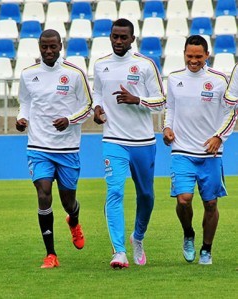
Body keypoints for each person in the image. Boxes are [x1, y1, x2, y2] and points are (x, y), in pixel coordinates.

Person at [92, 18, 165, 269]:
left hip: (143, 141)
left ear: (132, 39)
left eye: (124, 37)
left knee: (146, 195)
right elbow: (97, 92)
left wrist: (137, 99)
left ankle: (138, 237)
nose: (118, 41)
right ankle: (119, 252)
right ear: (110, 37)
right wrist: (97, 108)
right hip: (113, 139)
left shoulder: (145, 65)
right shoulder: (101, 65)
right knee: (115, 191)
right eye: (115, 36)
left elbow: (161, 101)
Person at [16, 29, 92, 268]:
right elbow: (25, 102)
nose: (48, 51)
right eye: (44, 47)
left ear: (61, 46)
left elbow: (88, 107)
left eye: (53, 47)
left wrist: (69, 120)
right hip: (38, 145)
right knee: (43, 193)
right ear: (39, 47)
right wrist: (21, 118)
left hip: (68, 147)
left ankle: (74, 220)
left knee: (68, 201)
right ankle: (51, 254)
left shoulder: (74, 74)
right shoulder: (28, 74)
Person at [163, 35, 237, 265]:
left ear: (207, 55)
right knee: (184, 200)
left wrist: (219, 137)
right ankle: (188, 234)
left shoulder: (219, 80)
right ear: (183, 54)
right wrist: (167, 128)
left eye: (198, 56)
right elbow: (171, 108)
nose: (193, 61)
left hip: (210, 152)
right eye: (189, 56)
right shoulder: (174, 78)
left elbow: (231, 112)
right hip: (181, 150)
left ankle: (206, 248)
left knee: (211, 204)